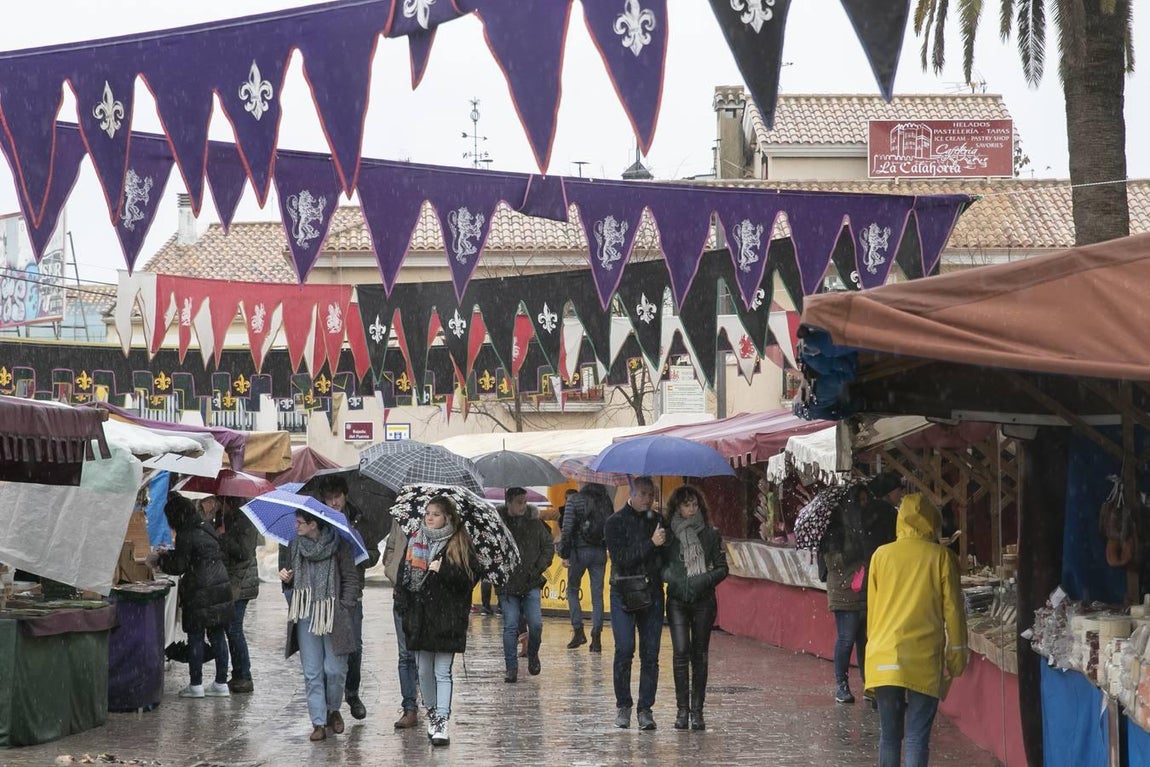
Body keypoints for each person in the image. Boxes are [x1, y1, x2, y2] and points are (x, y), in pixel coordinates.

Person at [866, 493, 969, 767]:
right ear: (933, 522)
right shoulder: (942, 558)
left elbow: (873, 613)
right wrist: (957, 654)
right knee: (916, 738)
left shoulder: (880, 556)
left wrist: (871, 657)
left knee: (889, 737)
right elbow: (954, 612)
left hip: (883, 657)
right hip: (923, 658)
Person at [395, 495, 481, 747]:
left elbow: (469, 581)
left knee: (442, 671)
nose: (430, 518)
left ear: (448, 517)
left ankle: (442, 721)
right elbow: (403, 578)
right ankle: (431, 713)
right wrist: (404, 606)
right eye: (428, 513)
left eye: (436, 514)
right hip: (420, 616)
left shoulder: (460, 543)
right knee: (423, 670)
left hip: (447, 619)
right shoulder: (415, 541)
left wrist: (443, 570)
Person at [280, 506, 363, 742]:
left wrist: (345, 607)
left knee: (334, 670)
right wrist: (287, 579)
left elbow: (350, 579)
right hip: (305, 613)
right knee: (312, 672)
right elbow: (291, 580)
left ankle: (333, 708)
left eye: (299, 523)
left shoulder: (340, 546)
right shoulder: (295, 546)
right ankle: (318, 721)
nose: (295, 527)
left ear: (313, 524)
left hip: (332, 615)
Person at [312, 474, 390, 722]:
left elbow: (374, 553)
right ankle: (328, 705)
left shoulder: (357, 519)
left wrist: (359, 553)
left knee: (353, 645)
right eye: (329, 498)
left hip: (352, 591)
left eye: (338, 497)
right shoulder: (317, 520)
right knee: (325, 653)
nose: (334, 503)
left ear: (345, 496)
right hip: (322, 594)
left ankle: (352, 693)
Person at [154, 492, 234, 699]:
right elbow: (202, 554)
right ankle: (220, 683)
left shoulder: (185, 534)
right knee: (217, 634)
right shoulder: (205, 526)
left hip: (199, 588)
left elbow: (180, 565)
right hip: (220, 585)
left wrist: (161, 560)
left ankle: (196, 685)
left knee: (196, 635)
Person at [662, 485, 729, 731]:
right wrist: (674, 577)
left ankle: (697, 711)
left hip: (703, 601)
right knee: (681, 652)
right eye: (686, 504)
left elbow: (723, 568)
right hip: (678, 600)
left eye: (694, 504)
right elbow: (660, 565)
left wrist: (703, 579)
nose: (691, 509)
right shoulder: (669, 535)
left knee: (699, 655)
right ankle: (682, 711)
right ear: (677, 507)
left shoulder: (710, 534)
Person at [604, 476, 666, 731]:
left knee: (650, 654)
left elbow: (664, 558)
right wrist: (650, 544)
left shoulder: (658, 521)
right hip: (623, 592)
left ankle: (645, 709)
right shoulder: (614, 522)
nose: (647, 499)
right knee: (624, 649)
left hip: (651, 593)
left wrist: (661, 546)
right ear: (631, 493)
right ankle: (624, 705)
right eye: (642, 494)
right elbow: (622, 558)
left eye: (651, 494)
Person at [819, 482, 872, 706]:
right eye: (858, 500)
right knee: (847, 638)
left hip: (863, 589)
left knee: (864, 641)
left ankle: (870, 685)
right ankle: (841, 684)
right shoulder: (834, 529)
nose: (863, 504)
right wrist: (856, 552)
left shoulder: (863, 524)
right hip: (843, 591)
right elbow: (832, 562)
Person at [498, 487, 555, 682]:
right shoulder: (499, 525)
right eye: (518, 502)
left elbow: (548, 546)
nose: (522, 505)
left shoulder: (535, 523)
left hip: (531, 582)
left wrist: (538, 567)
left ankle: (533, 654)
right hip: (507, 585)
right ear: (509, 503)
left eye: (524, 501)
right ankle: (510, 668)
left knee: (536, 624)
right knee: (511, 625)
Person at [214, 495, 259, 694]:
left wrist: (223, 537)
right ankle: (238, 673)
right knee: (231, 628)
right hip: (231, 581)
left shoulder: (245, 518)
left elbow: (244, 552)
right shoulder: (226, 516)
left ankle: (244, 675)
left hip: (241, 583)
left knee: (234, 629)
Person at [559, 482, 612, 652]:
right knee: (597, 596)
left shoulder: (574, 500)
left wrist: (564, 554)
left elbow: (566, 530)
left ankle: (578, 630)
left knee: (572, 590)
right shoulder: (605, 500)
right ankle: (596, 637)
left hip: (578, 552)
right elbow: (611, 526)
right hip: (599, 553)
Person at [382, 525, 421, 729]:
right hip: (401, 595)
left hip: (427, 598)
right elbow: (390, 549)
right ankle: (409, 707)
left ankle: (431, 703)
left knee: (424, 654)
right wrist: (392, 571)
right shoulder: (399, 519)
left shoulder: (436, 516)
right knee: (405, 654)